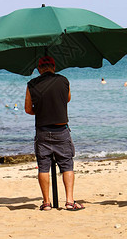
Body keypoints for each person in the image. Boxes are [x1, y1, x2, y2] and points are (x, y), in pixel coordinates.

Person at [25, 56, 84, 211]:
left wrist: (42, 110)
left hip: (42, 131)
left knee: (43, 167)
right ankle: (70, 202)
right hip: (61, 130)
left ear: (39, 69)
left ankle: (46, 203)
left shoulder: (32, 84)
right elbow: (67, 99)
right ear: (54, 66)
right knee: (67, 165)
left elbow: (28, 109)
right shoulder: (64, 80)